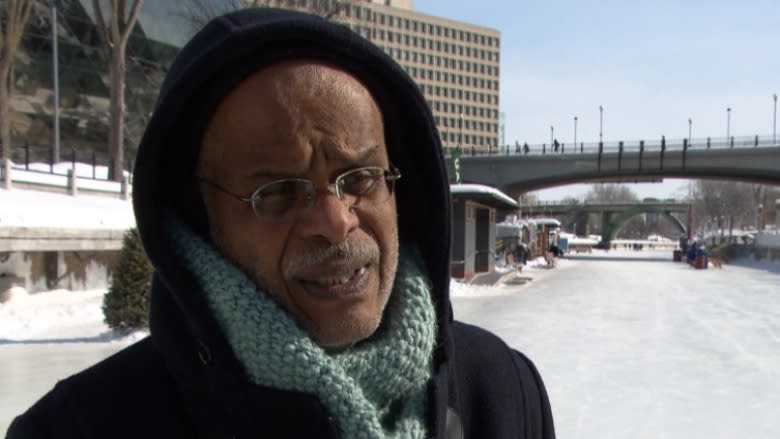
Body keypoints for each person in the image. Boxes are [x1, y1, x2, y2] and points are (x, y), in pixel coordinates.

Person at [7, 8, 555, 438]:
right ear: (201, 218)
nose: (336, 223)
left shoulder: (504, 393)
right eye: (280, 193)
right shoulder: (76, 428)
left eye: (360, 177)